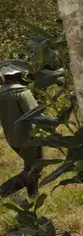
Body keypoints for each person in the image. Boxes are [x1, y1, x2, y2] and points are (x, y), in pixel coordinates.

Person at [0, 66, 43, 197]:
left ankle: (33, 196)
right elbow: (35, 114)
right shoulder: (23, 92)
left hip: (12, 139)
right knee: (34, 169)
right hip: (28, 137)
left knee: (30, 165)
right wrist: (51, 129)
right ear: (18, 76)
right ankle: (3, 192)